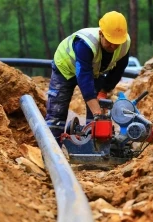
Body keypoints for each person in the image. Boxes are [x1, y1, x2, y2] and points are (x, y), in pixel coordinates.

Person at [45, 11, 131, 144]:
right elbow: (84, 77)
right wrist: (98, 112)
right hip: (65, 68)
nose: (113, 46)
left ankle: (94, 146)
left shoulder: (125, 44)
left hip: (94, 71)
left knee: (97, 113)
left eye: (117, 43)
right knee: (57, 112)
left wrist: (104, 91)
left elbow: (118, 70)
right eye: (109, 41)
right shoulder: (85, 43)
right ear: (101, 33)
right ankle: (52, 150)